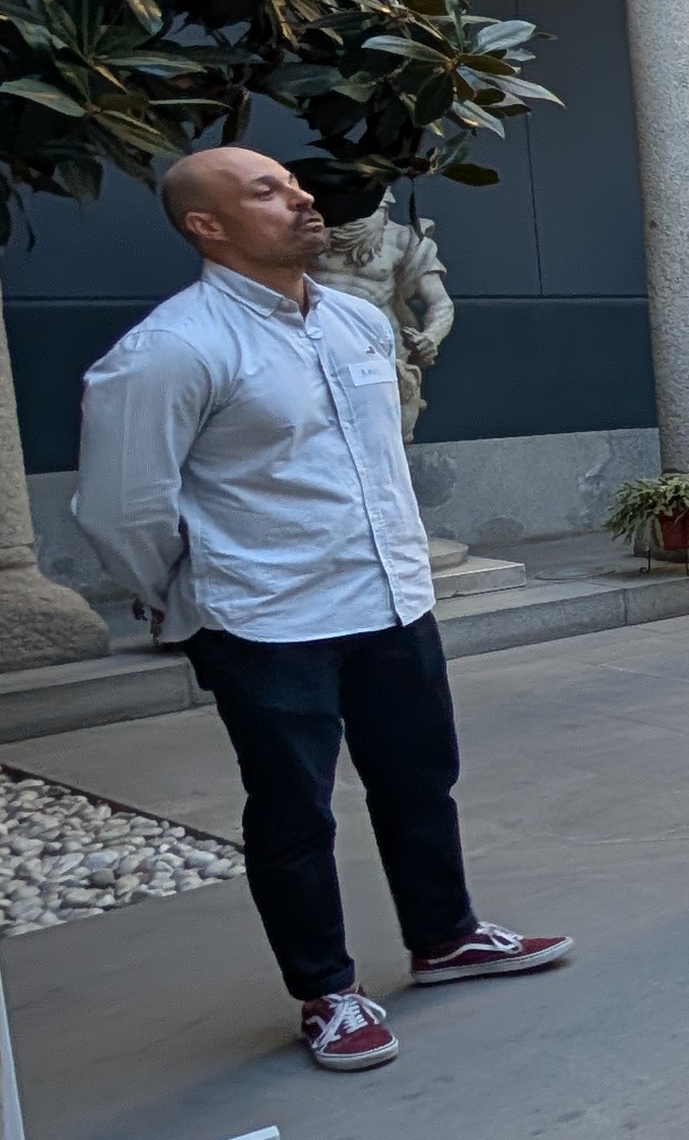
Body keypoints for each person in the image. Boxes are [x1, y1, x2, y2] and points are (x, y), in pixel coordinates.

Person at [71, 147, 567, 1074]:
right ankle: (327, 991)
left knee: (421, 781)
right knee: (294, 815)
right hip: (265, 621)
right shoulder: (173, 350)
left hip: (389, 598)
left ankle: (445, 937)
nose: (301, 198)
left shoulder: (354, 322)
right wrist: (188, 597)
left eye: (295, 185)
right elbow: (122, 509)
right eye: (267, 190)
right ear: (205, 226)